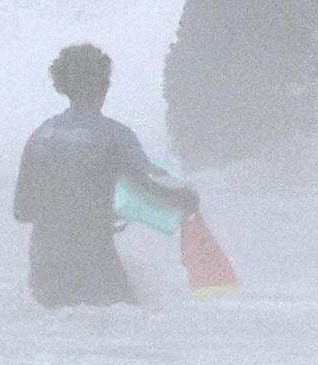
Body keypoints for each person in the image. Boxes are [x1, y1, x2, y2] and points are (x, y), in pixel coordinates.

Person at [10, 42, 191, 307]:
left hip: (44, 264)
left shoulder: (40, 135)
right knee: (124, 332)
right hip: (92, 262)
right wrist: (187, 198)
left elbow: (22, 211)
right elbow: (152, 185)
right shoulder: (113, 135)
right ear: (104, 85)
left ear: (63, 84)